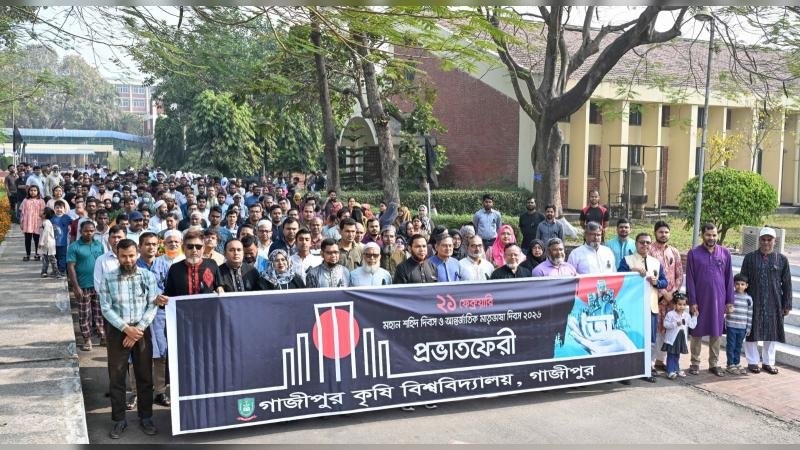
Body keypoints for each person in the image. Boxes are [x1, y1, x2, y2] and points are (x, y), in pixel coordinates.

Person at [97, 238, 160, 439]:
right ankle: (119, 420)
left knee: (145, 376)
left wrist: (137, 330)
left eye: (131, 255)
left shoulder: (148, 276)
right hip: (117, 331)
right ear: (117, 255)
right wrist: (126, 329)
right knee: (117, 377)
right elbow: (106, 308)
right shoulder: (108, 278)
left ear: (137, 254)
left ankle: (146, 417)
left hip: (142, 331)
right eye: (123, 256)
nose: (128, 260)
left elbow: (153, 304)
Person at [740, 226, 792, 375]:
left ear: (774, 241)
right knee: (751, 331)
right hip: (753, 301)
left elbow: (787, 283)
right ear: (759, 240)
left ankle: (768, 362)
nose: (766, 242)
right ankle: (752, 361)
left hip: (774, 302)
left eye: (769, 239)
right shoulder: (749, 258)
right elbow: (742, 280)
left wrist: (787, 304)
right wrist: (741, 300)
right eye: (763, 239)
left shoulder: (781, 259)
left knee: (772, 332)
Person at [685, 223, 734, 377]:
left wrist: (729, 301)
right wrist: (692, 301)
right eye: (708, 235)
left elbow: (729, 278)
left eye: (714, 235)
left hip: (718, 300)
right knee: (696, 331)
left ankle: (714, 363)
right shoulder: (694, 254)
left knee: (716, 332)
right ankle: (695, 363)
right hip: (699, 300)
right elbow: (690, 279)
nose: (711, 238)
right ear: (702, 235)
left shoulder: (725, 253)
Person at [618, 232, 667, 382]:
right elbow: (618, 278)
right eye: (642, 242)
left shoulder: (656, 263)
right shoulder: (627, 260)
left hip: (651, 307)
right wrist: (632, 272)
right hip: (632, 308)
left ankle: (646, 370)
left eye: (647, 242)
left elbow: (664, 282)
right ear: (636, 244)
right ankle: (627, 372)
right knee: (631, 339)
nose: (645, 245)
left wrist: (657, 282)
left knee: (650, 341)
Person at [135, 232, 171, 408]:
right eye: (147, 244)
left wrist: (163, 297)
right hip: (138, 315)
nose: (151, 247)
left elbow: (170, 289)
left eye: (154, 244)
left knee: (161, 354)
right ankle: (136, 392)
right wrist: (152, 298)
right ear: (140, 247)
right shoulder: (133, 266)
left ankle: (160, 392)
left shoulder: (165, 265)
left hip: (160, 315)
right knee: (137, 354)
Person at [648, 220, 684, 373]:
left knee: (667, 330)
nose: (664, 234)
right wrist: (663, 293)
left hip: (671, 300)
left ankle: (660, 361)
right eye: (661, 232)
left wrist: (673, 294)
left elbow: (679, 275)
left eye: (666, 232)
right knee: (655, 330)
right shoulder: (650, 251)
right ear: (655, 233)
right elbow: (650, 275)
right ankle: (649, 363)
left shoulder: (674, 251)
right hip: (655, 298)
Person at [67, 220, 106, 351]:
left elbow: (103, 264)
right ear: (80, 231)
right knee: (85, 314)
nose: (89, 233)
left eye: (91, 230)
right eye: (86, 231)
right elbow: (71, 267)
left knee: (99, 313)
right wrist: (76, 287)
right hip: (83, 286)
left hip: (98, 285)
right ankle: (87, 339)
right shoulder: (74, 247)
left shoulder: (99, 245)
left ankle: (102, 336)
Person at [163, 230, 225, 297]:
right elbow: (168, 294)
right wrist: (162, 299)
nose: (194, 250)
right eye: (190, 247)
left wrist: (220, 289)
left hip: (207, 303)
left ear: (203, 248)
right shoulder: (175, 268)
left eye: (198, 247)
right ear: (183, 248)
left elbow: (219, 285)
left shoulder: (212, 264)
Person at [662, 293, 698, 380]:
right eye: (679, 304)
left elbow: (692, 325)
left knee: (677, 354)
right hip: (672, 339)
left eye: (684, 304)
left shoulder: (686, 315)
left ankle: (676, 369)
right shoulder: (670, 314)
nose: (682, 306)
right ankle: (670, 371)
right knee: (671, 354)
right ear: (675, 304)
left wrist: (695, 316)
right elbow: (665, 324)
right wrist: (675, 323)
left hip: (681, 338)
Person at [725, 273, 753, 375]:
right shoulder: (731, 296)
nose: (739, 286)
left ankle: (736, 363)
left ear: (746, 286)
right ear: (733, 284)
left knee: (738, 346)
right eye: (737, 284)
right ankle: (730, 364)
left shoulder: (748, 299)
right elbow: (726, 308)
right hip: (731, 326)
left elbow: (750, 314)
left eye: (742, 284)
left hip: (742, 327)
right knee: (731, 345)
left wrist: (748, 327)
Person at [20, 184, 45, 261]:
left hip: (38, 223)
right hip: (28, 223)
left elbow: (44, 213)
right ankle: (28, 255)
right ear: (29, 191)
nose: (33, 192)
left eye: (35, 190)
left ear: (38, 191)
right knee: (27, 240)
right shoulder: (25, 200)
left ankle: (38, 254)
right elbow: (22, 212)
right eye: (31, 190)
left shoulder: (41, 201)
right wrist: (21, 222)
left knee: (37, 240)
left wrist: (43, 223)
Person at [39, 207, 60, 278]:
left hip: (48, 244)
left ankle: (56, 272)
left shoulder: (46, 223)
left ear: (44, 214)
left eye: (42, 210)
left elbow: (45, 233)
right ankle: (44, 272)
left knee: (51, 258)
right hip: (46, 243)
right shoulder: (45, 221)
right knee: (45, 258)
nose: (40, 211)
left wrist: (41, 242)